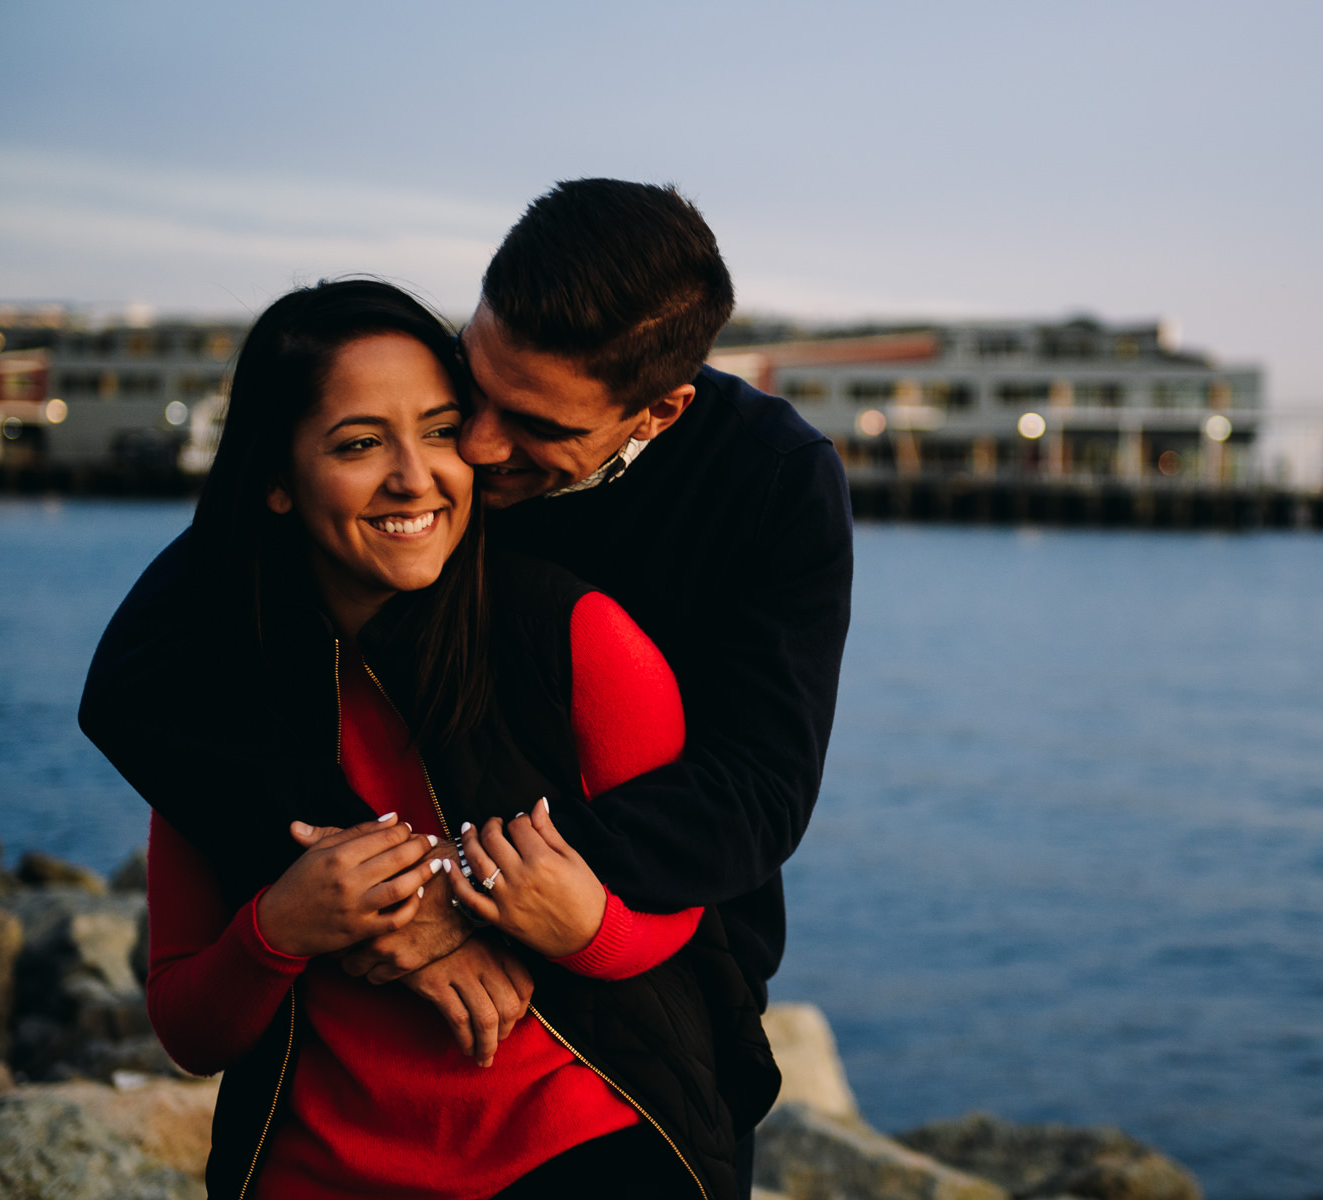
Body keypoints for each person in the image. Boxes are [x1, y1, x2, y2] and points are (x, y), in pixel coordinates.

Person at [83, 179, 854, 1195]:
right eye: (471, 392)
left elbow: (755, 787)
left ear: (659, 412)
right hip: (358, 1040)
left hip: (643, 992)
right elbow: (141, 675)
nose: (476, 450)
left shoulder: (769, 483)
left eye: (530, 424)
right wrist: (378, 898)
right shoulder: (412, 450)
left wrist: (469, 888)